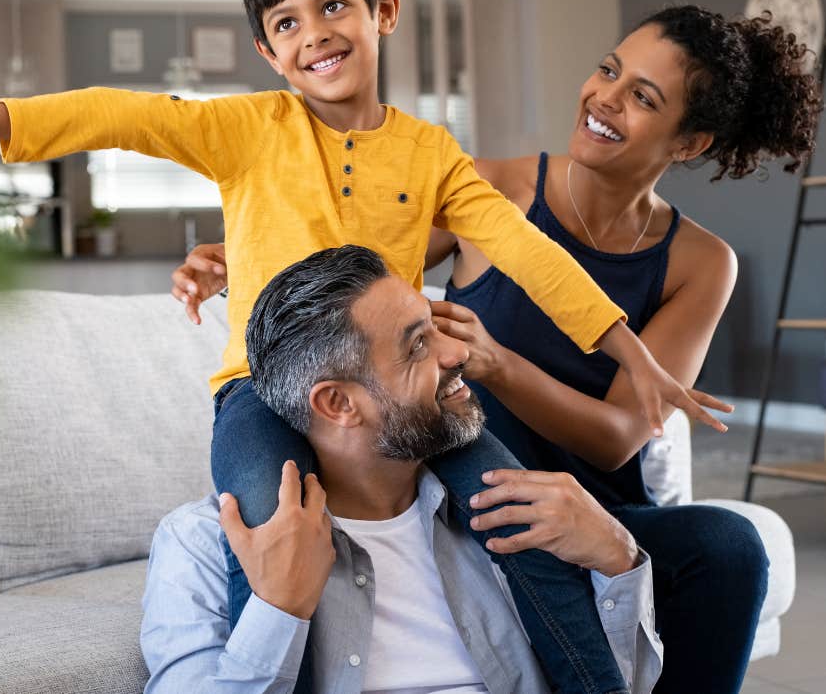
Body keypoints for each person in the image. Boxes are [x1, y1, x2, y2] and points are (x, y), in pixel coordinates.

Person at [0, 0, 731, 694]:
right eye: (286, 23)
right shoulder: (244, 129)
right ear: (269, 54)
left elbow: (525, 249)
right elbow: (118, 114)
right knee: (273, 534)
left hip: (404, 395)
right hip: (259, 394)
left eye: (334, 6)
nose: (315, 34)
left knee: (522, 523)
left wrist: (630, 352)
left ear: (384, 12)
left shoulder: (431, 153)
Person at [174, 4, 822, 694]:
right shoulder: (490, 187)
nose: (605, 98)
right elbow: (358, 276)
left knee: (729, 547)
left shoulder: (700, 261)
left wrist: (496, 365)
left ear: (688, 143)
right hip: (467, 499)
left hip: (591, 505)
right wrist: (240, 261)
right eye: (609, 70)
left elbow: (617, 440)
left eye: (643, 97)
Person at [141, 244, 663, 694]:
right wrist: (278, 608)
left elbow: (614, 681)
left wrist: (617, 559)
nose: (460, 352)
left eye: (437, 328)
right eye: (418, 346)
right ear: (339, 405)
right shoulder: (203, 544)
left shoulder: (510, 517)